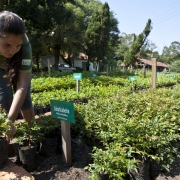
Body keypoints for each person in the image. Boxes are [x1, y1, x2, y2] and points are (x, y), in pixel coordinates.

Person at [0, 11, 34, 143]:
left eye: (17, 45)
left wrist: (10, 121)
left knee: (25, 98)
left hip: (18, 65)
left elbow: (22, 86)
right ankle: (4, 141)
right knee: (4, 97)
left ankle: (32, 133)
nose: (13, 50)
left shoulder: (25, 48)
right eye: (7, 45)